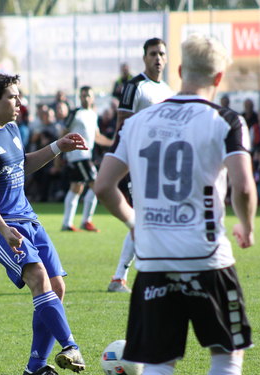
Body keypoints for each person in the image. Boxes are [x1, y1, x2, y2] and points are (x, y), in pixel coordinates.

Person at [95, 33, 257, 375]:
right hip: (207, 258)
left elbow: (103, 186)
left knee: (156, 367)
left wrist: (134, 222)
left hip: (153, 260)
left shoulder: (140, 121)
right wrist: (246, 226)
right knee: (227, 356)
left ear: (181, 70)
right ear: (219, 78)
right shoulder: (226, 120)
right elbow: (244, 186)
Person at [0, 72, 87, 375]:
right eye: (13, 97)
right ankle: (70, 346)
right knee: (37, 276)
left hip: (28, 218)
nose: (20, 102)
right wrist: (3, 229)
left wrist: (58, 146)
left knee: (56, 287)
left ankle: (36, 367)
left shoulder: (13, 128)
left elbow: (22, 164)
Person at [103, 37, 174, 293]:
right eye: (153, 53)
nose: (158, 58)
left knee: (149, 219)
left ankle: (125, 276)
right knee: (143, 219)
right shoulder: (135, 87)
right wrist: (121, 162)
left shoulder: (167, 90)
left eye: (162, 54)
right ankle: (121, 276)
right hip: (134, 164)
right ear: (144, 58)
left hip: (158, 166)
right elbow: (122, 126)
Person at [60, 86, 112, 232]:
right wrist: (59, 153)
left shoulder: (93, 114)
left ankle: (67, 223)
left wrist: (113, 143)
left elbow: (97, 136)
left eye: (88, 95)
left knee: (76, 188)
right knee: (96, 185)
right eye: (83, 96)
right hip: (78, 155)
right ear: (79, 97)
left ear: (92, 97)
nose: (86, 98)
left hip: (87, 155)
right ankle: (86, 221)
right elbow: (63, 132)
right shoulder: (75, 113)